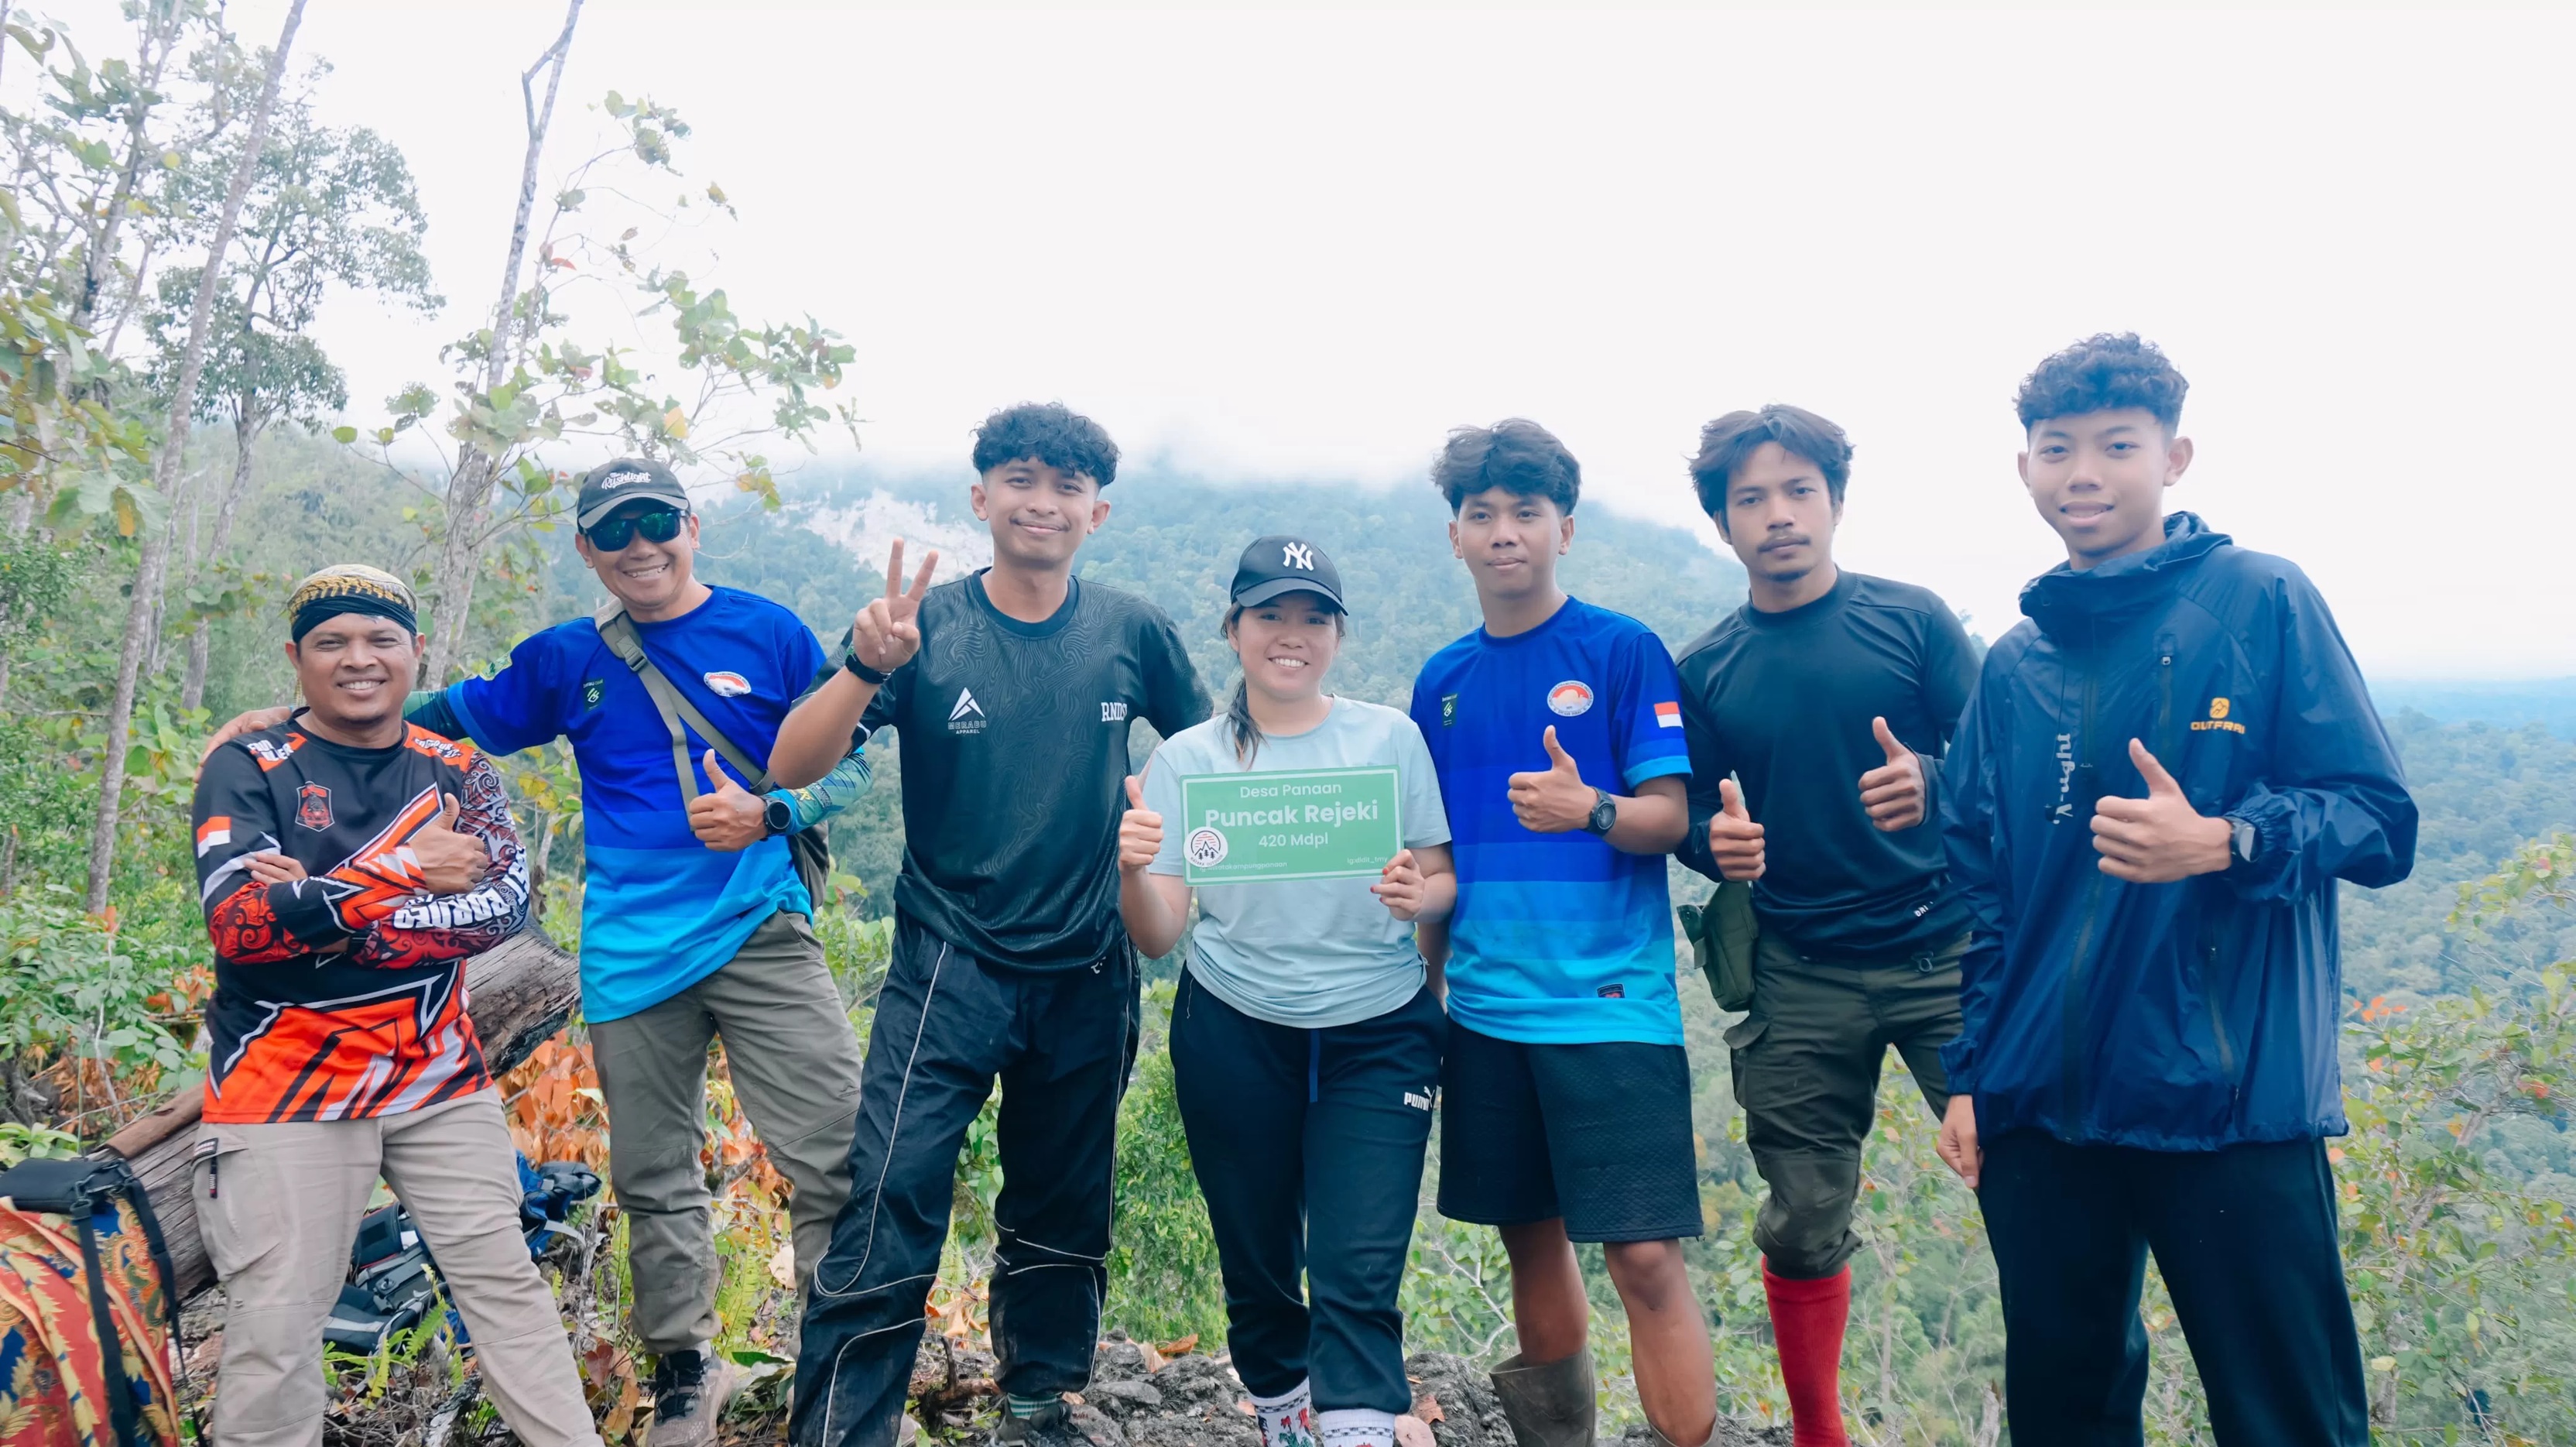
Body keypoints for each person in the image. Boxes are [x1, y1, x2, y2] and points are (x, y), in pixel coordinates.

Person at [204, 460, 879, 1447]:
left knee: (835, 1157)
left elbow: (850, 762)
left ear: (692, 527)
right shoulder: (568, 658)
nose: (639, 546)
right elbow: (435, 713)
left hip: (759, 926)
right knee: (653, 1175)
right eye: (614, 531)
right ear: (585, 551)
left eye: (656, 522)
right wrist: (288, 721)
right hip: (629, 949)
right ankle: (686, 1372)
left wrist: (774, 812)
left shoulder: (768, 631)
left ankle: (844, 1376)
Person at [1936, 334, 2417, 1445]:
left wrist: (2227, 841)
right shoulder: (2015, 662)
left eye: (2117, 446)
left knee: (2287, 1415)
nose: (2083, 473)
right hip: (2041, 1107)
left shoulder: (2258, 599)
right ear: (2024, 468)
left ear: (2174, 457)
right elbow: (1984, 891)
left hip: (2226, 1101)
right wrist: (1971, 1075)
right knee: (2063, 1414)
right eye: (2057, 449)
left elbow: (2378, 818)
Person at [772, 403, 1211, 1447]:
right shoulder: (921, 626)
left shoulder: (1133, 630)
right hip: (947, 962)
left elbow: (1211, 761)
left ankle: (1036, 1403)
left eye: (1066, 486)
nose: (1042, 502)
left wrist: (1169, 823)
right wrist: (865, 668)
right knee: (889, 1192)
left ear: (1097, 511)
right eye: (1020, 479)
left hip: (1090, 963)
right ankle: (840, 1427)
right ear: (981, 498)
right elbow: (791, 765)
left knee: (1063, 1200)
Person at [189, 565, 600, 1447]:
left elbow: (498, 910)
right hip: (286, 1089)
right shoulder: (248, 765)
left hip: (439, 1080)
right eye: (331, 642)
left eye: (380, 639)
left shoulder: (457, 767)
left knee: (507, 1291)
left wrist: (328, 913)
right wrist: (407, 871)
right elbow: (242, 926)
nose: (358, 659)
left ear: (416, 650)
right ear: (296, 658)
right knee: (278, 1328)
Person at [1670, 406, 1978, 1447]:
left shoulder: (1913, 620)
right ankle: (1817, 1432)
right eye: (1750, 498)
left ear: (1836, 501)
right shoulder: (1706, 667)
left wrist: (1933, 780)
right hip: (1798, 971)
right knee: (1802, 1217)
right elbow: (1690, 814)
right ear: (1723, 523)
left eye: (1799, 490)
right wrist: (1715, 844)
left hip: (1948, 955)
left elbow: (2006, 763)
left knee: (2030, 1180)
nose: (1778, 515)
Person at [1406, 420, 1712, 1447]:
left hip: (1610, 1005)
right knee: (1530, 1243)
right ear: (1455, 535)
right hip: (1486, 1011)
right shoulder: (1441, 682)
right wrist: (1427, 993)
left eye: (1526, 512)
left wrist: (1590, 808)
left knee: (1644, 1257)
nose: (1504, 531)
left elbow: (1669, 819)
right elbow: (1440, 857)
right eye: (1482, 514)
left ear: (1564, 529)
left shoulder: (1621, 650)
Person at [1115, 537, 1455, 1447]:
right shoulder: (1188, 759)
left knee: (1358, 1259)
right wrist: (1133, 869)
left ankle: (1357, 1424)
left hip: (1378, 1030)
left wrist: (1419, 894)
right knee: (1258, 1255)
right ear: (1234, 629)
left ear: (1338, 636)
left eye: (1313, 617)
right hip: (1234, 1028)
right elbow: (1159, 931)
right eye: (1270, 615)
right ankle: (1282, 1409)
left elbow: (1439, 877)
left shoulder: (1390, 739)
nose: (1291, 635)